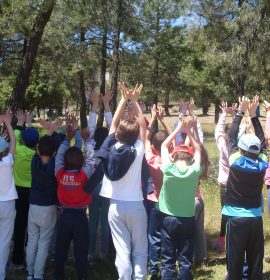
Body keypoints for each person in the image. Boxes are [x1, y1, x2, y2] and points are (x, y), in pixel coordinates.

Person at [98, 82, 148, 279]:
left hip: (115, 207)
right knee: (140, 250)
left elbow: (113, 123)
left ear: (118, 134)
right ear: (136, 135)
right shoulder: (138, 150)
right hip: (136, 206)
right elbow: (143, 124)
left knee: (122, 251)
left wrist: (122, 99)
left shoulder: (110, 147)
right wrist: (134, 102)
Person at [223, 96, 268, 280]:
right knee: (256, 263)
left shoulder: (235, 162)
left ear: (241, 150)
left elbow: (231, 135)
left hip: (236, 218)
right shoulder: (263, 163)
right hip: (255, 219)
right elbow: (263, 142)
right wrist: (254, 115)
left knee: (234, 262)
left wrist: (241, 113)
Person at [158, 115, 201, 279]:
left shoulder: (167, 168)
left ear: (172, 156)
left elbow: (163, 144)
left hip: (168, 219)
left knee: (168, 260)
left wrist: (178, 129)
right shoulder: (194, 170)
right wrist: (189, 130)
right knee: (185, 260)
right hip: (187, 219)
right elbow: (197, 148)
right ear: (190, 159)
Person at [54, 124, 95, 280]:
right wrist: (88, 141)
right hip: (80, 217)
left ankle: (58, 275)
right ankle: (82, 275)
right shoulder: (83, 175)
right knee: (81, 251)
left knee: (61, 249)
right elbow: (91, 161)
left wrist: (66, 140)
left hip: (64, 216)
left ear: (65, 162)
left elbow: (58, 158)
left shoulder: (59, 173)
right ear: (81, 161)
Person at [26, 119, 62, 280]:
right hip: (48, 207)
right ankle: (38, 275)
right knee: (43, 243)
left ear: (38, 152)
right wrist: (53, 131)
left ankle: (30, 272)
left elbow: (40, 148)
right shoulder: (54, 165)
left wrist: (49, 131)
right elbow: (48, 149)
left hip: (33, 206)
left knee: (32, 240)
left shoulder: (34, 162)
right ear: (55, 153)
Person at [10, 110, 40, 269]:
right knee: (33, 227)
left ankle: (17, 259)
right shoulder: (38, 154)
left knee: (19, 225)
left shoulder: (17, 151)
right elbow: (30, 139)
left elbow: (14, 136)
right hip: (34, 192)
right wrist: (29, 124)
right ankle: (32, 258)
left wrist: (21, 122)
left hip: (18, 192)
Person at [87, 90, 113, 262]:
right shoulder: (111, 149)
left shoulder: (90, 148)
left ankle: (90, 253)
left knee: (92, 220)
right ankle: (104, 251)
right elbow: (114, 128)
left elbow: (90, 128)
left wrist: (95, 106)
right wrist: (106, 105)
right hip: (108, 187)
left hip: (93, 187)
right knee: (105, 220)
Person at [145, 105, 169, 279]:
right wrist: (162, 120)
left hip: (153, 201)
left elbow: (146, 138)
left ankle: (153, 270)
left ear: (153, 147)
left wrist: (153, 118)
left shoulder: (151, 158)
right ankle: (168, 267)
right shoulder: (173, 160)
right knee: (168, 236)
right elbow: (174, 142)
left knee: (153, 237)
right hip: (169, 203)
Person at [213, 102, 237, 253]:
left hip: (225, 184)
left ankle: (222, 242)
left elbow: (217, 132)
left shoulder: (223, 146)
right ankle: (235, 240)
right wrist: (236, 116)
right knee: (236, 212)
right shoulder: (239, 149)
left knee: (225, 213)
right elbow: (240, 131)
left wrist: (224, 114)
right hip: (237, 184)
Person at [0, 111, 17, 280]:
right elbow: (13, 140)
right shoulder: (7, 162)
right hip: (7, 204)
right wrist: (8, 124)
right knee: (4, 242)